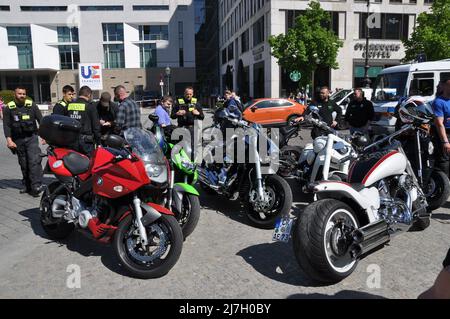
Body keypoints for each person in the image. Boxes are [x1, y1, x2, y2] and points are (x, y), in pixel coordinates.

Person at [3, 87, 44, 197]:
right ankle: (27, 185)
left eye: (24, 94)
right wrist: (9, 140)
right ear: (15, 94)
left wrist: (44, 136)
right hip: (18, 139)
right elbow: (6, 125)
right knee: (23, 163)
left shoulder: (32, 105)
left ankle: (36, 186)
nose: (22, 95)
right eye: (20, 93)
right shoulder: (8, 108)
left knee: (34, 161)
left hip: (32, 137)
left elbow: (41, 120)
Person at [64, 86, 101, 155]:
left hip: (71, 140)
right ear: (89, 95)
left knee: (73, 163)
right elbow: (96, 127)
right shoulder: (90, 107)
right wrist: (98, 142)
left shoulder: (69, 106)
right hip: (86, 142)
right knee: (88, 163)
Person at [171, 87, 204, 159]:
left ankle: (192, 162)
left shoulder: (196, 103)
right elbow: (172, 116)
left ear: (192, 94)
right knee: (182, 146)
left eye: (190, 94)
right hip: (181, 128)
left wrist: (198, 113)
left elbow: (202, 117)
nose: (188, 96)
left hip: (192, 129)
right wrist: (177, 113)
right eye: (187, 94)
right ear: (184, 94)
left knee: (193, 147)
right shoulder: (178, 103)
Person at [432, 77, 450, 177]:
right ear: (444, 86)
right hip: (445, 134)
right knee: (444, 161)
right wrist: (445, 141)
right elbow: (439, 123)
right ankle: (445, 187)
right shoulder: (438, 102)